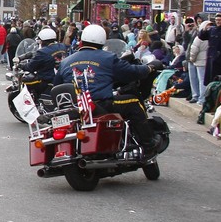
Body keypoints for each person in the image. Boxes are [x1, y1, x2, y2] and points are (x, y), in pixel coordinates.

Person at [55, 24, 162, 156]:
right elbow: (131, 72)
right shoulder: (108, 58)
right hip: (100, 105)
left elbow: (56, 86)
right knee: (133, 102)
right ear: (103, 42)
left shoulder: (66, 62)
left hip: (74, 107)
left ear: (81, 41)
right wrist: (150, 67)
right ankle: (148, 144)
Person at [189, 19, 209, 105]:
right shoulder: (212, 37)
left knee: (200, 80)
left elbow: (194, 50)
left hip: (199, 62)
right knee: (204, 81)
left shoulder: (199, 38)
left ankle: (201, 98)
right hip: (208, 61)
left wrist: (192, 59)